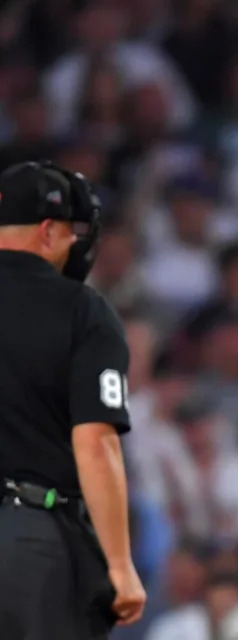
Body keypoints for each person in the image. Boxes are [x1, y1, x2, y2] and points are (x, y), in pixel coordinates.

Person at [0, 161, 146, 638]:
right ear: (47, 231)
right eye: (69, 233)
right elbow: (95, 443)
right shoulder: (80, 308)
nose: (74, 245)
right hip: (29, 543)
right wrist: (120, 565)